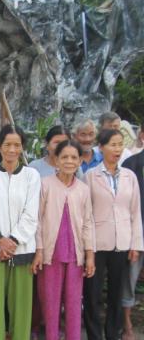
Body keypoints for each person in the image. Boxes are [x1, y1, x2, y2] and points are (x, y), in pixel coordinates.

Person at [0, 125, 41, 340]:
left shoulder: (31, 176)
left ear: (22, 147)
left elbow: (31, 214)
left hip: (22, 250)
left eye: (17, 145)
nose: (12, 149)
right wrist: (0, 240)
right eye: (8, 145)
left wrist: (12, 241)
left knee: (21, 308)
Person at [32, 140, 96, 340]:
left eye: (74, 157)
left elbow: (88, 223)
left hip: (75, 255)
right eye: (64, 157)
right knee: (50, 303)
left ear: (79, 161)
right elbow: (38, 220)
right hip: (51, 255)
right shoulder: (45, 185)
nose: (69, 161)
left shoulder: (83, 189)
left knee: (74, 304)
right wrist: (40, 251)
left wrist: (90, 255)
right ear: (56, 160)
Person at [83, 129, 143, 340]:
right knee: (93, 294)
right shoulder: (91, 176)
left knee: (117, 294)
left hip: (123, 243)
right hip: (98, 243)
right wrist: (87, 247)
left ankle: (113, 334)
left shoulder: (130, 176)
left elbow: (135, 211)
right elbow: (86, 214)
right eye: (113, 144)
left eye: (120, 144)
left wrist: (136, 244)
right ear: (101, 147)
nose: (117, 149)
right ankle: (94, 335)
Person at [121, 147, 144, 340]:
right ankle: (126, 324)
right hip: (136, 233)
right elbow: (129, 207)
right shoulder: (131, 165)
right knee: (129, 280)